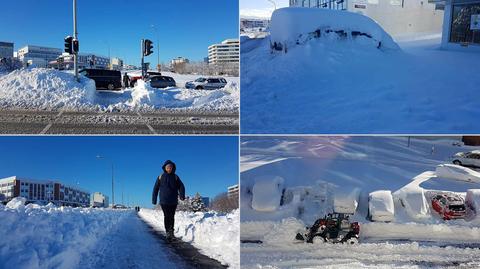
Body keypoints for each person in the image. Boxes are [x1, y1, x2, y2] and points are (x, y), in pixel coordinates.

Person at [152, 160, 185, 241]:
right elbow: (155, 188)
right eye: (167, 167)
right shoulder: (160, 176)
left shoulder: (175, 177)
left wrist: (181, 195)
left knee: (172, 216)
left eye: (170, 167)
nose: (169, 168)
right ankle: (168, 232)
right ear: (165, 168)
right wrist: (154, 199)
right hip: (164, 200)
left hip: (173, 200)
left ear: (172, 168)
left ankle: (171, 232)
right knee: (167, 216)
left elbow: (181, 186)